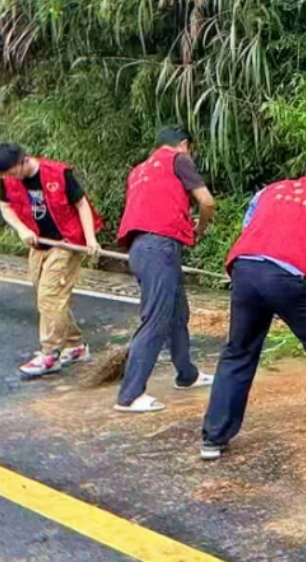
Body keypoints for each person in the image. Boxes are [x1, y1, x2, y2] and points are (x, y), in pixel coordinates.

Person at [199, 156, 306, 460]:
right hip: (291, 277)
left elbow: (250, 228)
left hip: (246, 270)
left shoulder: (268, 191)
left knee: (238, 351)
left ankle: (214, 437)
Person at [113, 126, 217, 413]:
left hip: (140, 247)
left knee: (177, 313)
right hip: (159, 247)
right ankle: (129, 395)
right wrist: (200, 227)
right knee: (156, 318)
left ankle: (187, 374)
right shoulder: (178, 158)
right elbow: (207, 201)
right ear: (184, 145)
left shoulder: (138, 170)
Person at [0, 143, 103, 378]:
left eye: (12, 172)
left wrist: (90, 239)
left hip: (67, 241)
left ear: (23, 161)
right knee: (47, 295)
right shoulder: (8, 180)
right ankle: (75, 345)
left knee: (50, 296)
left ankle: (49, 353)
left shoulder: (59, 173)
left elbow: (82, 204)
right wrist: (21, 229)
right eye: (6, 175)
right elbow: (5, 207)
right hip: (38, 243)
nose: (10, 178)